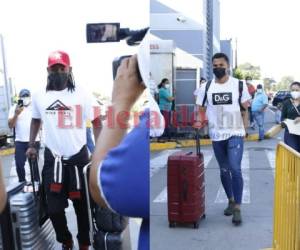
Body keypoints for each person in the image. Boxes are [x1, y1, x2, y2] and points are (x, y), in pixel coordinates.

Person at [26, 50, 101, 250]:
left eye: (62, 68)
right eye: (54, 68)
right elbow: (35, 120)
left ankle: (84, 243)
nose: (58, 71)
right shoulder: (39, 95)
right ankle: (66, 240)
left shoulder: (82, 93)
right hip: (53, 160)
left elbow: (96, 120)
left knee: (83, 208)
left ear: (69, 69)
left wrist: (100, 149)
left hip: (79, 159)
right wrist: (32, 145)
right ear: (47, 70)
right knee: (54, 209)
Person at [196, 52, 251, 225]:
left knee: (235, 168)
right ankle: (230, 200)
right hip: (216, 134)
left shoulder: (238, 85)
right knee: (224, 170)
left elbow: (244, 109)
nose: (218, 68)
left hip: (235, 132)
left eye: (221, 65)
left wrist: (245, 128)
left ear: (227, 66)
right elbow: (200, 108)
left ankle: (237, 209)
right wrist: (199, 122)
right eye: (215, 65)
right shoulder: (206, 87)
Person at [8, 89, 40, 182]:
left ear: (30, 97)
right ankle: (22, 183)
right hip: (20, 142)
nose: (25, 99)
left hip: (34, 141)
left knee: (34, 165)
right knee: (19, 164)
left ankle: (36, 185)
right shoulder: (14, 108)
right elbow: (10, 125)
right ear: (19, 98)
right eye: (23, 97)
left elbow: (39, 123)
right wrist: (16, 114)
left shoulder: (34, 107)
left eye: (27, 96)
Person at [281, 81, 300, 152]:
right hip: (290, 134)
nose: (295, 92)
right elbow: (282, 119)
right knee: (293, 153)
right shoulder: (287, 103)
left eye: (297, 90)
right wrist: (287, 122)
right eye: (293, 90)